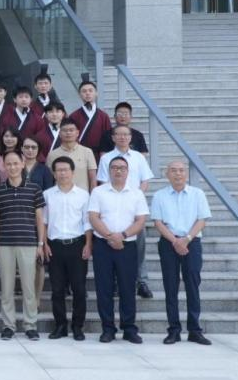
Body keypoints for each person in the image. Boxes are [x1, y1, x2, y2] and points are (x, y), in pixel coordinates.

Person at [88, 156, 150, 343]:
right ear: (109, 171)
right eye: (114, 167)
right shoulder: (98, 192)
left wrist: (122, 236)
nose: (118, 171)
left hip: (127, 245)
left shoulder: (136, 193)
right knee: (104, 288)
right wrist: (110, 236)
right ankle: (108, 329)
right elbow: (93, 217)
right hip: (103, 245)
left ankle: (129, 328)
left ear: (128, 171)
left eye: (122, 168)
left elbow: (141, 220)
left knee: (127, 288)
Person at [151, 161, 212, 346]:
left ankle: (194, 330)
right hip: (168, 242)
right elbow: (158, 223)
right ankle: (174, 330)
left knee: (193, 284)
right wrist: (175, 241)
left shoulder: (197, 194)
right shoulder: (159, 195)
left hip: (192, 242)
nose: (178, 174)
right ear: (167, 174)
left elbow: (202, 220)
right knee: (170, 286)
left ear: (186, 174)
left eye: (181, 170)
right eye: (173, 171)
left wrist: (186, 239)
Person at [97, 124, 155, 299]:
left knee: (139, 245)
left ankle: (141, 281)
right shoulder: (106, 158)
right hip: (111, 206)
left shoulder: (138, 157)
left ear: (131, 137)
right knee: (112, 243)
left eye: (126, 134)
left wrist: (135, 197)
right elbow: (103, 182)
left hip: (134, 207)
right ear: (113, 137)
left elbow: (145, 181)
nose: (122, 137)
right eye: (118, 134)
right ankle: (115, 281)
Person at [0, 151, 46, 341]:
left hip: (29, 243)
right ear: (4, 166)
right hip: (5, 244)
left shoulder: (34, 189)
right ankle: (8, 325)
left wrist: (40, 243)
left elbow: (39, 219)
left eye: (15, 163)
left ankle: (30, 325)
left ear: (23, 164)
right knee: (6, 288)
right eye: (8, 164)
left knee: (29, 288)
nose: (12, 167)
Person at [42, 157, 92, 341]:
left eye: (66, 170)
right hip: (54, 246)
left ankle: (77, 326)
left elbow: (87, 222)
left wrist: (88, 244)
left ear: (72, 172)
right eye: (59, 170)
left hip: (77, 245)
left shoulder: (83, 195)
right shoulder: (47, 195)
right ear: (54, 174)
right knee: (57, 289)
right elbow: (44, 222)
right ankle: (60, 326)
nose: (62, 173)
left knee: (79, 289)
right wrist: (44, 244)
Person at [45, 118, 98, 193]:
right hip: (59, 196)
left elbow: (93, 179)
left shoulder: (87, 152)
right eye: (65, 130)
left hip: (82, 197)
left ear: (77, 133)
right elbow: (49, 180)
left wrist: (92, 196)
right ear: (59, 133)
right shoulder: (52, 154)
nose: (68, 133)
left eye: (71, 130)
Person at [69, 80, 112, 161]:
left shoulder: (103, 116)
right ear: (80, 94)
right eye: (84, 91)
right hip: (79, 154)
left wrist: (105, 154)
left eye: (90, 90)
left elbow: (108, 137)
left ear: (96, 93)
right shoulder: (73, 116)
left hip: (98, 155)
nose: (87, 93)